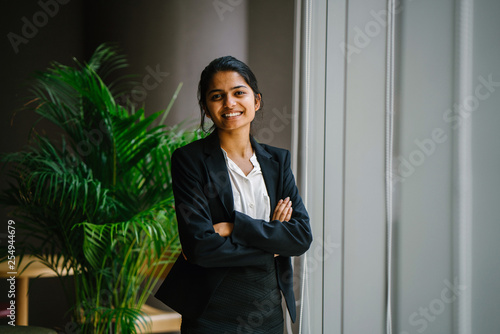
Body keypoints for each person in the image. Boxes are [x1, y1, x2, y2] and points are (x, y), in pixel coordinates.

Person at [155, 56, 312, 334]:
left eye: (239, 93)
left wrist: (233, 227)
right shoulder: (190, 161)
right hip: (211, 311)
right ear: (206, 107)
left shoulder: (278, 161)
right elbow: (200, 248)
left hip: (268, 309)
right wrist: (273, 243)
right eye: (217, 96)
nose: (229, 103)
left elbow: (300, 238)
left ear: (257, 101)